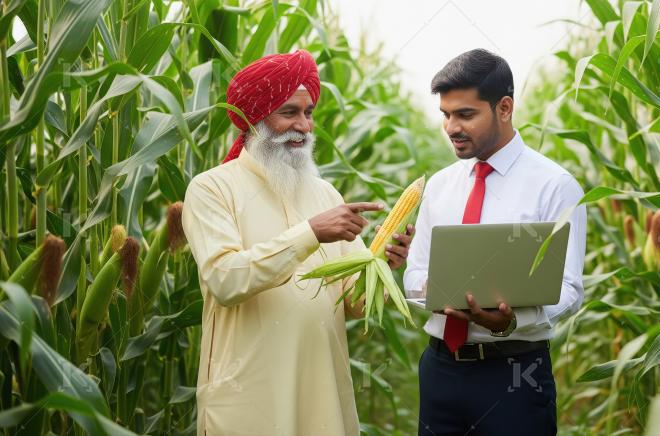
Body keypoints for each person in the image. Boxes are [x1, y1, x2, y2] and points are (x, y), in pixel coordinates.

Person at [182, 50, 413, 436]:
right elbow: (225, 280)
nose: (304, 126)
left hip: (321, 398)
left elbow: (353, 302)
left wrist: (383, 264)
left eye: (308, 114)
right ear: (255, 117)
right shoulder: (212, 189)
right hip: (249, 401)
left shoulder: (325, 194)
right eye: (289, 112)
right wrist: (311, 233)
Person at [403, 49, 587, 436]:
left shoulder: (554, 186)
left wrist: (512, 321)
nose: (452, 127)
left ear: (504, 108)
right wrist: (434, 290)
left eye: (465, 114)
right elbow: (416, 272)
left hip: (515, 374)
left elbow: (568, 287)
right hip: (440, 369)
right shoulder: (439, 185)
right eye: (446, 115)